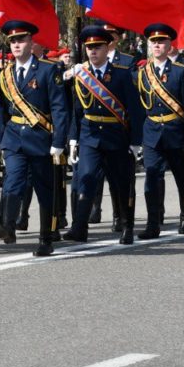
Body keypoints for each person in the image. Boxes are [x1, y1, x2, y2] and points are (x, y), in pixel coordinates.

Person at [0, 20, 68, 257]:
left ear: (31, 42)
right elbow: (3, 111)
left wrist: (58, 142)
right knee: (12, 181)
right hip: (14, 138)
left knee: (44, 190)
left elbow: (59, 108)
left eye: (21, 40)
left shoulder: (47, 70)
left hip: (40, 138)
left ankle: (46, 237)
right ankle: (7, 224)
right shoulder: (5, 74)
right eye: (12, 41)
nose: (16, 44)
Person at [64, 26, 139, 245]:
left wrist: (135, 141)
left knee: (121, 184)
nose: (93, 52)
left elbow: (134, 109)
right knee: (85, 180)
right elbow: (76, 110)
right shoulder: (81, 75)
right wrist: (73, 139)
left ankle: (127, 226)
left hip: (116, 136)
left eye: (97, 47)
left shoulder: (121, 75)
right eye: (89, 48)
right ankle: (80, 228)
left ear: (107, 48)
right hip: (89, 136)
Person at [134, 23, 184, 238]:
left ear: (170, 44)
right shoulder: (142, 73)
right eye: (153, 42)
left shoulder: (181, 71)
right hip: (152, 132)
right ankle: (153, 224)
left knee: (183, 178)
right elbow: (138, 107)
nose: (157, 45)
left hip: (176, 132)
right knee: (152, 178)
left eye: (161, 41)